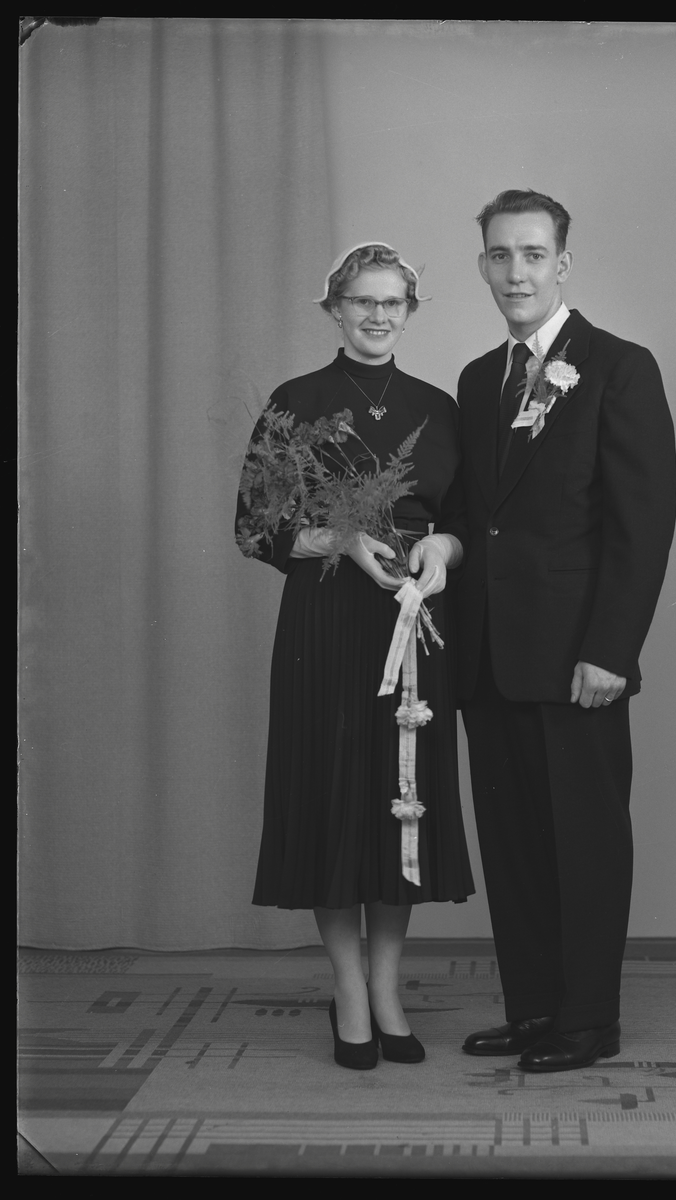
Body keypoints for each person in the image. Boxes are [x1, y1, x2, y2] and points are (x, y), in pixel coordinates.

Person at [236, 243, 474, 1070]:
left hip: (414, 620)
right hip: (328, 621)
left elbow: (464, 523)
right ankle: (346, 991)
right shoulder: (294, 402)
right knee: (335, 797)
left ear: (410, 311)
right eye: (362, 301)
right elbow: (254, 528)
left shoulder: (440, 407)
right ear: (334, 309)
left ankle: (387, 989)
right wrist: (341, 538)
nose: (378, 315)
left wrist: (442, 549)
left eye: (392, 302)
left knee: (397, 801)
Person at [455, 190, 676, 1072]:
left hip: (578, 657)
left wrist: (611, 651)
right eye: (500, 255)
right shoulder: (478, 379)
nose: (516, 273)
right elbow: (478, 517)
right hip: (490, 658)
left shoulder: (620, 366)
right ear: (483, 265)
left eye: (533, 255)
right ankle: (536, 1009)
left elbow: (642, 524)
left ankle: (588, 1022)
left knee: (584, 843)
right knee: (513, 845)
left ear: (563, 264)